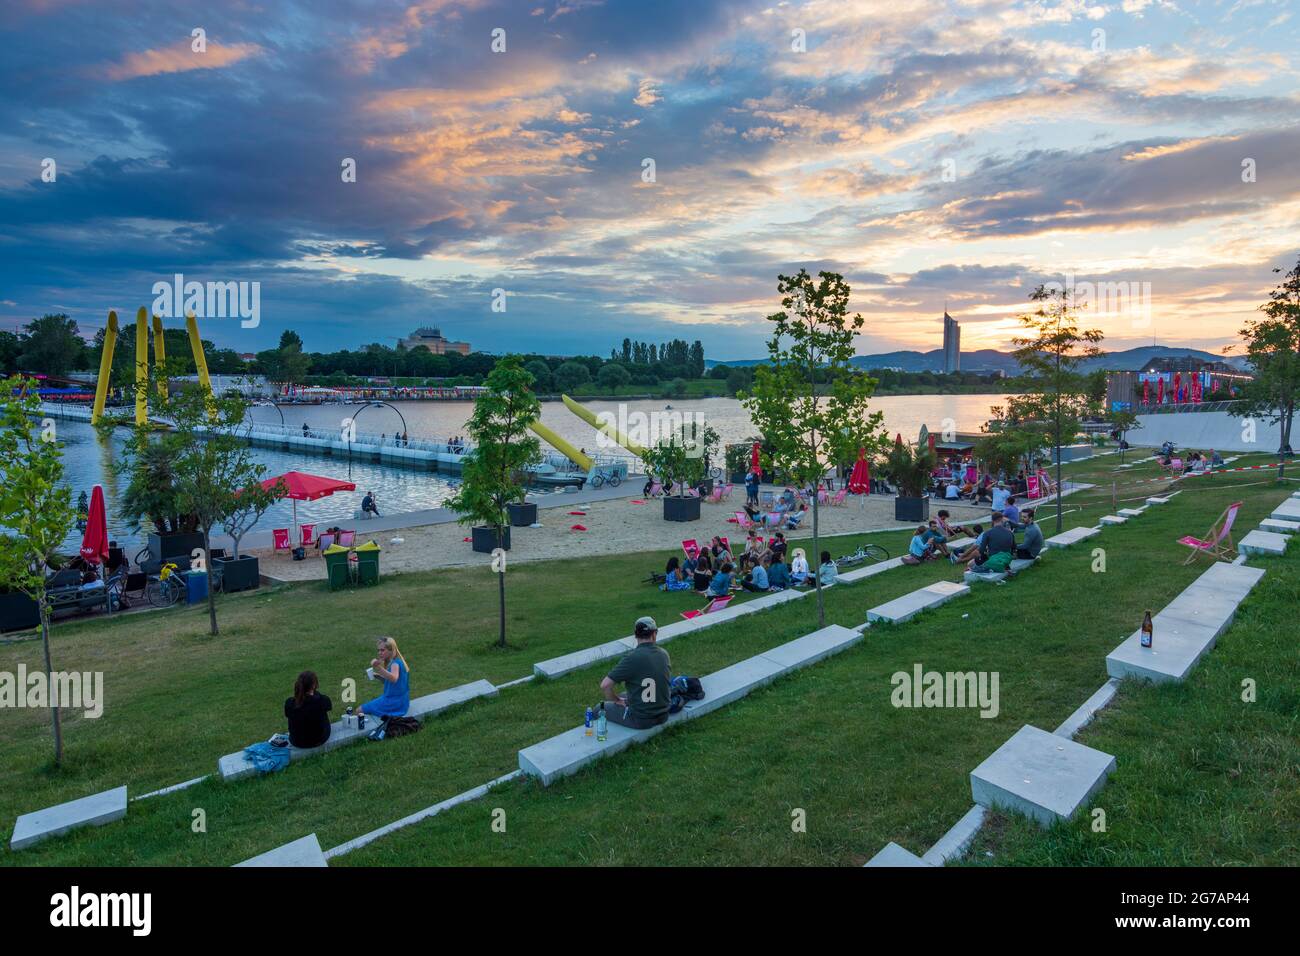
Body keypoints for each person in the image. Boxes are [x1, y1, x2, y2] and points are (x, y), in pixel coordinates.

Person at [596, 617, 671, 730]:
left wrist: (616, 700)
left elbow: (605, 685)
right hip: (664, 714)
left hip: (641, 719)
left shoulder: (631, 658)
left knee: (598, 708)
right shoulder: (664, 654)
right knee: (623, 695)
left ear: (636, 635)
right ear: (654, 633)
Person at [357, 637, 410, 719]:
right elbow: (392, 682)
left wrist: (378, 667)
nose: (379, 653)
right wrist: (378, 676)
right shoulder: (398, 660)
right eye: (378, 650)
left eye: (382, 650)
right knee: (367, 706)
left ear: (391, 650)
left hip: (393, 702)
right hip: (402, 701)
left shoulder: (395, 664)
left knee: (359, 710)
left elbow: (394, 678)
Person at [284, 670, 332, 749]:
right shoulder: (321, 700)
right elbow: (328, 706)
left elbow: (287, 714)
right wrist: (317, 694)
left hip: (296, 741)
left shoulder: (290, 703)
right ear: (313, 685)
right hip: (319, 739)